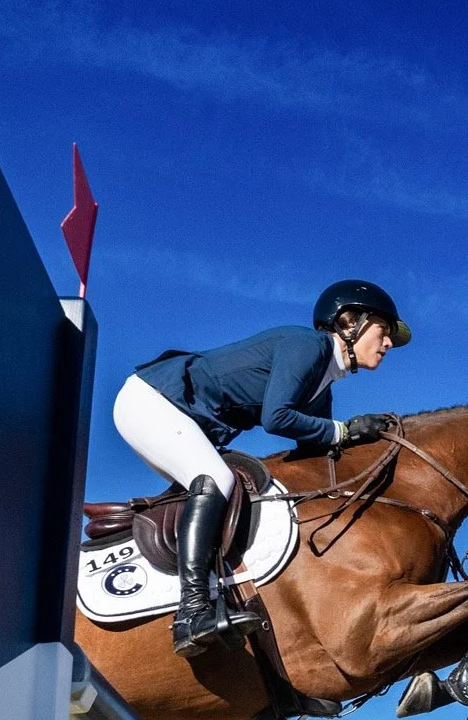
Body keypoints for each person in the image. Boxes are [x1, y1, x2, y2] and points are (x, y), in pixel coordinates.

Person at [115, 279, 410, 656]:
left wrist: (362, 445)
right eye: (384, 332)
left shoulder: (323, 385)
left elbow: (317, 453)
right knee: (217, 479)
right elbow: (278, 417)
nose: (388, 344)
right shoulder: (308, 345)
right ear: (349, 321)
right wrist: (345, 430)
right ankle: (192, 612)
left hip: (171, 412)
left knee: (230, 496)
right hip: (152, 400)